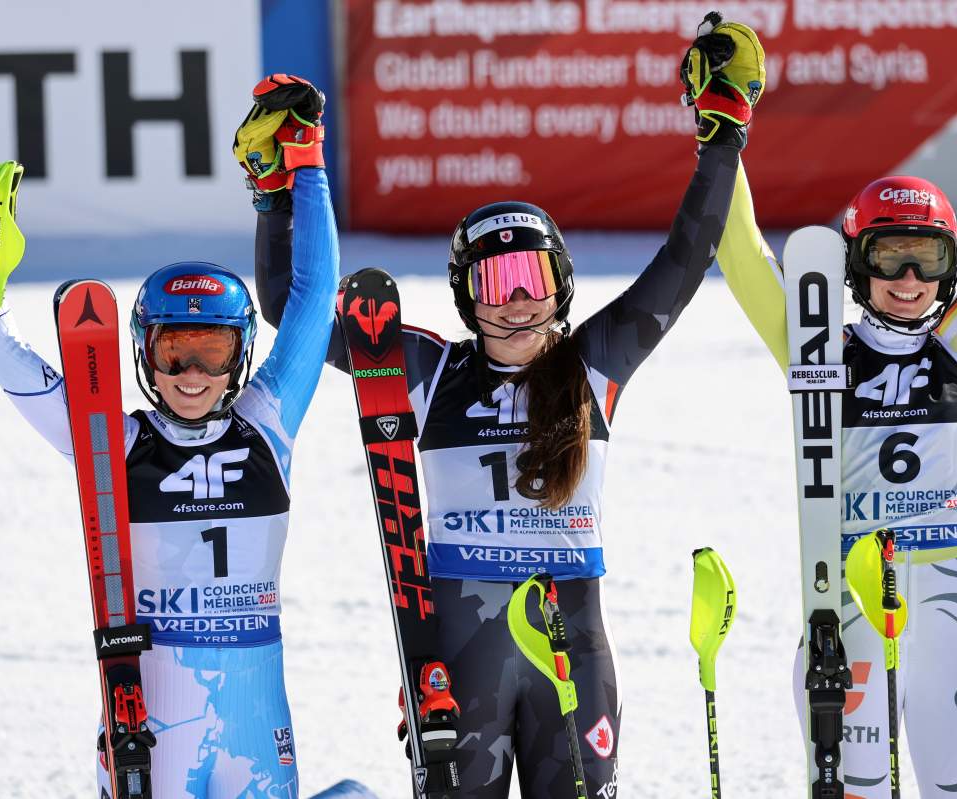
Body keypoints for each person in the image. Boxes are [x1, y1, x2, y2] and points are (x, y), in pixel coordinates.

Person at [251, 15, 765, 798]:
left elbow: (685, 260)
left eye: (533, 278)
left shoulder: (594, 364)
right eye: (494, 283)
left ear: (562, 284)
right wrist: (277, 192)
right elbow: (288, 306)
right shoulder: (427, 372)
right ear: (466, 298)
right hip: (462, 663)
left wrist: (723, 133)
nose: (518, 302)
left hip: (573, 655)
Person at [712, 13, 957, 798]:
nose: (910, 279)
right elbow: (739, 249)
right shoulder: (817, 348)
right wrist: (720, 128)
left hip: (956, 614)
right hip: (848, 613)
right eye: (889, 256)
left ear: (951, 268)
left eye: (928, 258)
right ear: (857, 266)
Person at [0, 75, 337, 797]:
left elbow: (314, 296)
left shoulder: (269, 423)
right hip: (154, 726)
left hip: (256, 727)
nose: (191, 373)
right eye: (172, 351)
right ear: (144, 355)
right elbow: (10, 363)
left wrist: (308, 163)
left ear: (240, 353)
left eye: (211, 352)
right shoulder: (111, 443)